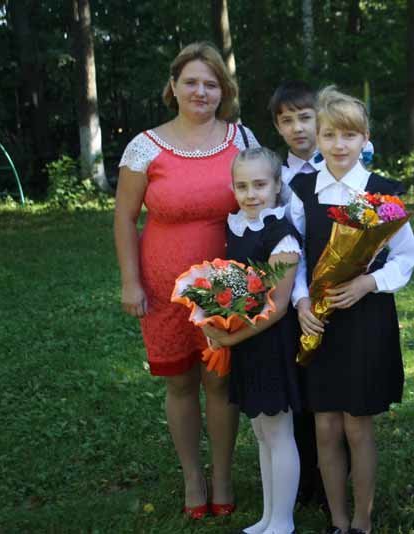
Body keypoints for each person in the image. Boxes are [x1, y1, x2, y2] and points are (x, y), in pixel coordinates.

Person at [114, 41, 258, 519]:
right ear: (173, 86)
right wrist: (130, 282)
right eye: (191, 82)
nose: (201, 92)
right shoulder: (144, 146)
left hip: (227, 285)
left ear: (224, 91)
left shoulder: (242, 139)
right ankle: (193, 476)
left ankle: (223, 475)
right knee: (179, 382)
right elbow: (125, 218)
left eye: (211, 84)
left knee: (220, 379)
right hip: (162, 288)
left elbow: (266, 199)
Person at [289, 86, 414, 534]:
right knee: (325, 425)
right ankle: (338, 520)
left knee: (357, 425)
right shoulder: (302, 191)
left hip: (365, 321)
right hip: (319, 320)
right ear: (317, 138)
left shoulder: (381, 193)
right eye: (329, 135)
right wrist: (300, 301)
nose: (339, 145)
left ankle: (362, 520)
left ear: (365, 139)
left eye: (349, 135)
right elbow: (295, 256)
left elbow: (406, 256)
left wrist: (368, 283)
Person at [202, 147, 302, 534]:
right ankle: (268, 516)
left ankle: (284, 521)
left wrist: (231, 339)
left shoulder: (282, 236)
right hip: (247, 342)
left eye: (260, 185)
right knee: (261, 432)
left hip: (272, 344)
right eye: (241, 186)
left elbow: (276, 308)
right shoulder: (237, 227)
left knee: (278, 431)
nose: (250, 194)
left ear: (277, 186)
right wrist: (215, 318)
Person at [268, 81, 327, 506]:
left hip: (335, 297)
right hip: (291, 298)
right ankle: (304, 476)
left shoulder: (339, 170)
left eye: (305, 117)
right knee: (299, 384)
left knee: (329, 387)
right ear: (277, 127)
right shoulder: (276, 181)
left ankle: (333, 474)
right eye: (287, 120)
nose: (298, 128)